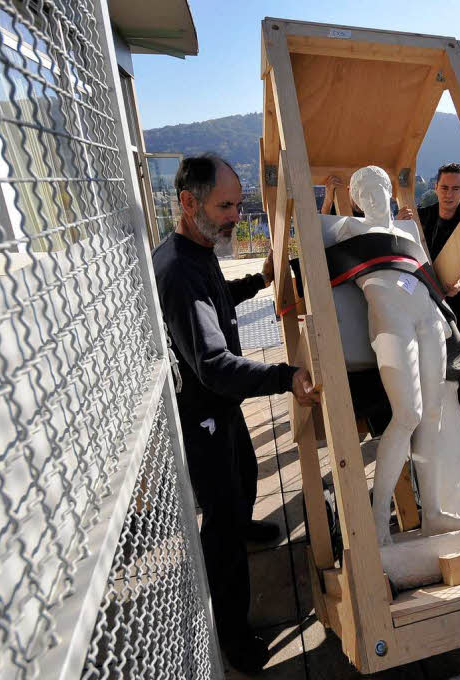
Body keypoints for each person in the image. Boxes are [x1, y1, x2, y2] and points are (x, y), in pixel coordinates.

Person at [152, 154, 319, 673]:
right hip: (204, 414)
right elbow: (213, 365)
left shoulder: (196, 249)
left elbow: (217, 296)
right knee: (221, 529)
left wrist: (257, 282)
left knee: (246, 474)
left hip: (219, 410)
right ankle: (232, 632)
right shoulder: (179, 270)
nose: (234, 215)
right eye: (225, 205)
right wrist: (284, 376)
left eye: (238, 203)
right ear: (188, 202)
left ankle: (243, 523)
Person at [398, 163, 460, 346]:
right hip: (418, 303)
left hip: (456, 309)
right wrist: (399, 226)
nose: (449, 194)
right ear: (436, 187)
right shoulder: (419, 217)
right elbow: (399, 249)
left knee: (453, 367)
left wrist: (459, 281)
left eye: (456, 189)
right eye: (444, 187)